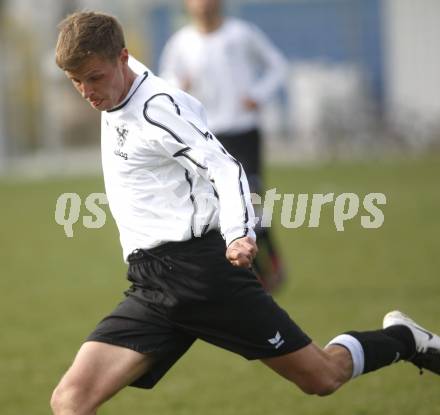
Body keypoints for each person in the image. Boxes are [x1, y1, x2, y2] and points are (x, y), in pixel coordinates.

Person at [51, 11, 440, 415]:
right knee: (70, 400)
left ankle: (404, 339)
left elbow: (225, 167)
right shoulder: (118, 82)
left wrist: (240, 232)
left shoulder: (157, 110)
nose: (86, 91)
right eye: (75, 80)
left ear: (123, 58)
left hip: (203, 275)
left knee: (322, 377)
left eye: (94, 77)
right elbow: (100, 44)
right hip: (151, 283)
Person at [159, 0, 287, 291]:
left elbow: (277, 65)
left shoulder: (241, 34)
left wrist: (258, 93)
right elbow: (166, 83)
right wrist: (180, 83)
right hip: (207, 136)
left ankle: (271, 261)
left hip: (243, 129)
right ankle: (251, 271)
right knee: (221, 206)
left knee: (251, 199)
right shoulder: (181, 43)